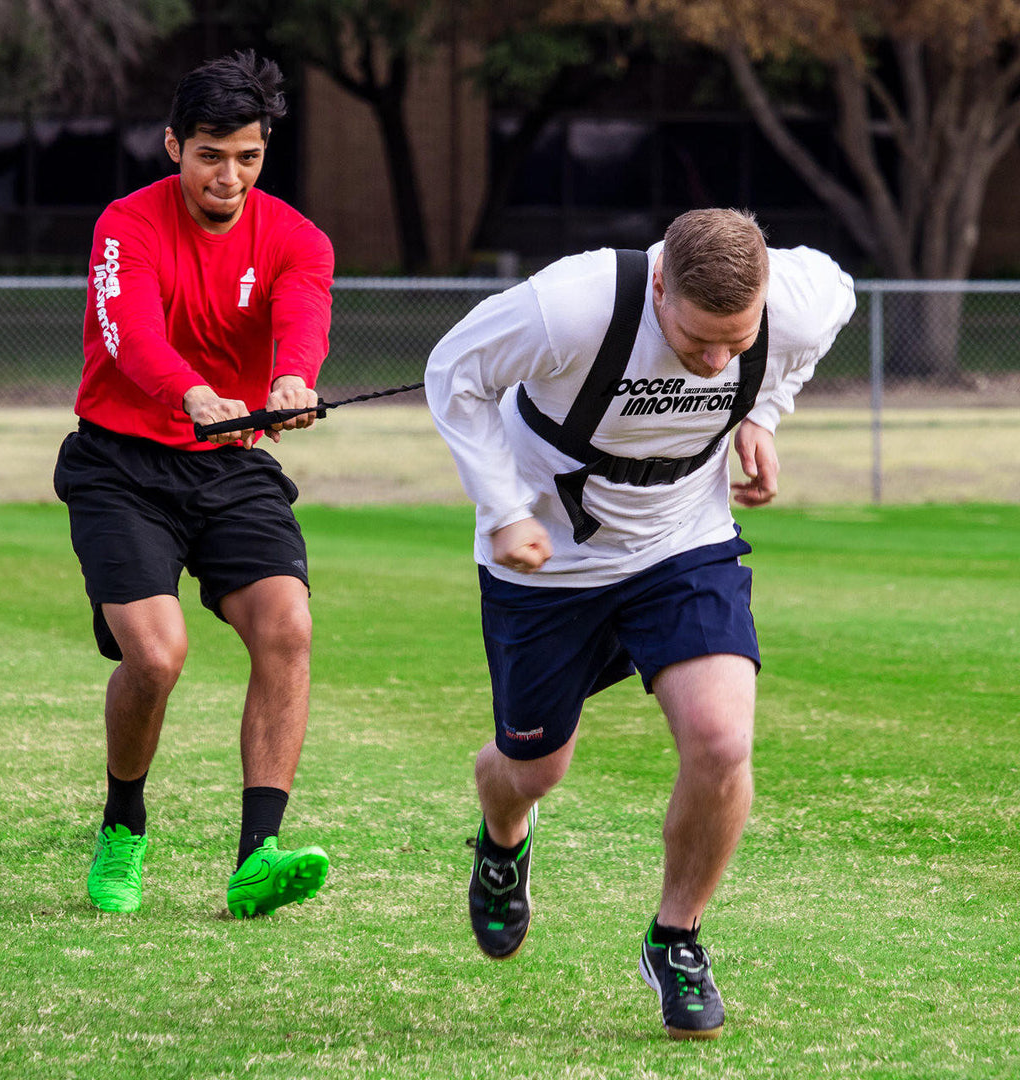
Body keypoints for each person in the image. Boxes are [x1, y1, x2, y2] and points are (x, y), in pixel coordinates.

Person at [425, 209, 855, 1039]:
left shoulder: (791, 304)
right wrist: (505, 507)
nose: (719, 361)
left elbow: (833, 299)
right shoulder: (574, 305)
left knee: (723, 741)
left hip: (681, 542)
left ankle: (677, 937)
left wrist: (764, 410)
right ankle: (503, 836)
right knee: (534, 768)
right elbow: (454, 372)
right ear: (660, 285)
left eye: (739, 340)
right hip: (547, 557)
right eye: (700, 342)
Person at [53, 50, 334, 919]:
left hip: (233, 466)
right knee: (157, 655)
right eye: (211, 153)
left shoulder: (297, 237)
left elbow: (302, 318)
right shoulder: (125, 226)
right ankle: (123, 826)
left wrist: (292, 381)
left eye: (247, 155)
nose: (229, 174)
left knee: (287, 625)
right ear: (175, 145)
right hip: (121, 464)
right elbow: (130, 335)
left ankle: (258, 857)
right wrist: (193, 394)